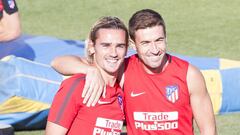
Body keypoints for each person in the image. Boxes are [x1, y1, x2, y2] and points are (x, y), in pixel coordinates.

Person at [51, 9, 217, 135]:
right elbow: (58, 62)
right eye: (145, 42)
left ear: (166, 38)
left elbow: (209, 130)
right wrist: (89, 70)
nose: (154, 50)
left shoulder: (189, 75)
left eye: (158, 40)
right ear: (133, 45)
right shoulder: (124, 69)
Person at [45, 16, 128, 135]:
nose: (113, 53)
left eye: (120, 46)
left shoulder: (120, 91)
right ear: (91, 47)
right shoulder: (76, 86)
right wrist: (91, 70)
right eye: (106, 45)